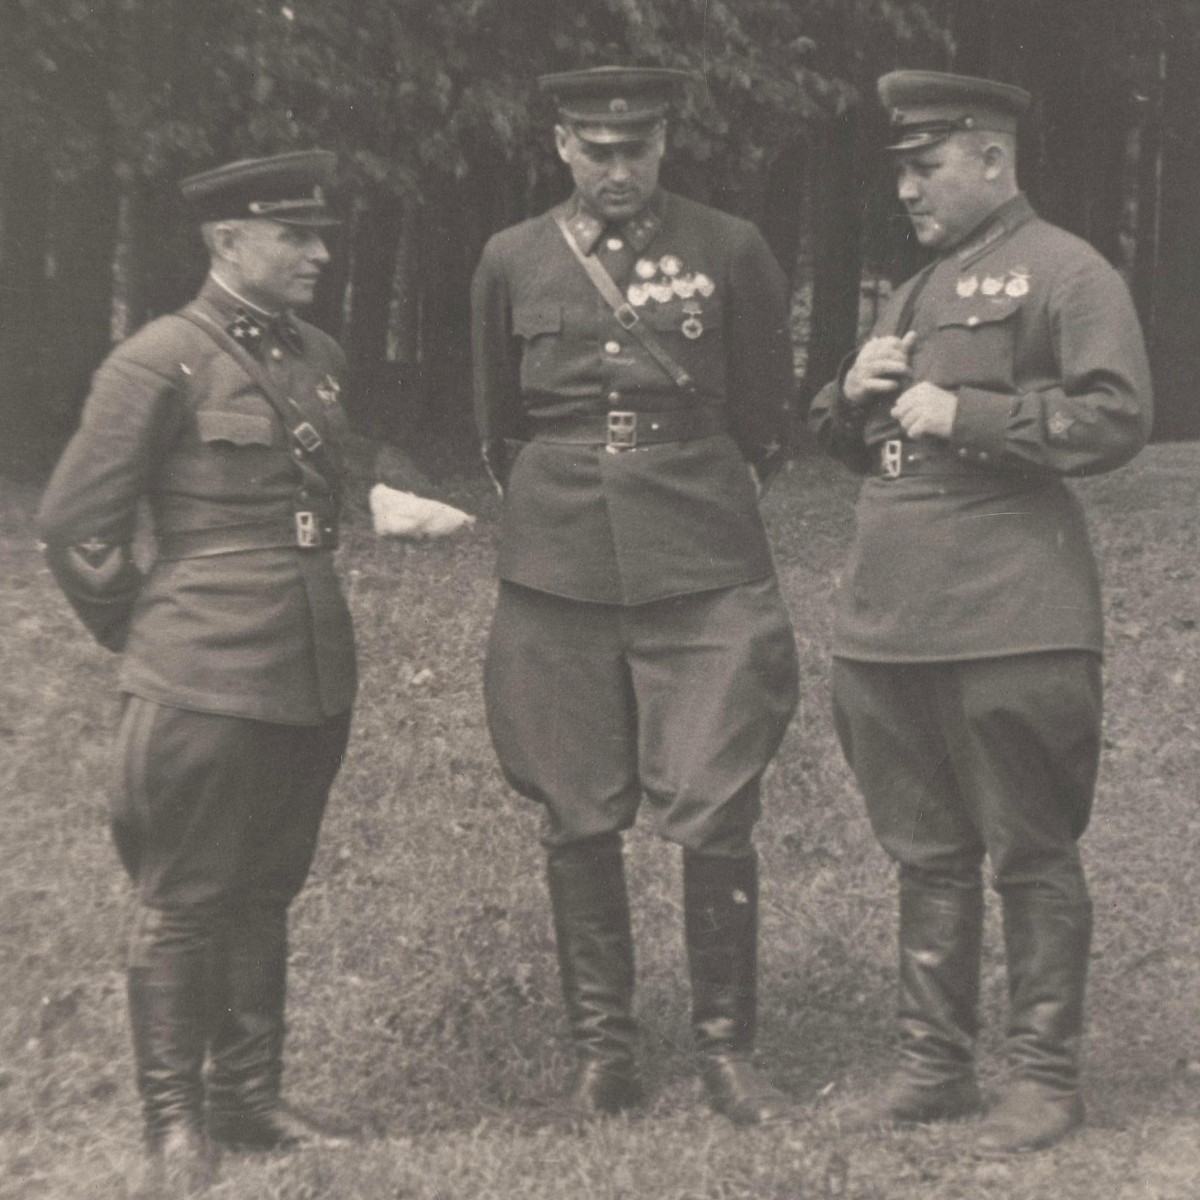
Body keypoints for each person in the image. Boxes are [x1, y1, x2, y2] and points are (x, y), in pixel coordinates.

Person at [808, 71, 1152, 1154]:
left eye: (926, 166)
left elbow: (1116, 416)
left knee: (1032, 849)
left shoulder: (1067, 270)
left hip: (1014, 613)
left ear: (992, 157)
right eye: (901, 169)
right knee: (926, 851)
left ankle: (1044, 1080)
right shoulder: (912, 289)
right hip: (892, 616)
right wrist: (846, 393)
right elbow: (854, 442)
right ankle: (935, 1066)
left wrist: (975, 412)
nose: (907, 188)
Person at [471, 66, 800, 1126]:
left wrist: (700, 481)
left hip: (700, 548)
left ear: (665, 145)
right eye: (597, 149)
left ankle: (724, 1051)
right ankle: (604, 1051)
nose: (619, 168)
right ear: (561, 144)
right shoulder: (512, 259)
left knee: (717, 789)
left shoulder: (728, 246)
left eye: (639, 148)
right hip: (557, 557)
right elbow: (494, 425)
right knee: (573, 796)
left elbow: (764, 411)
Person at [37, 150, 357, 1188]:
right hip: (203, 665)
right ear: (229, 242)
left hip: (307, 662)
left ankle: (249, 1099)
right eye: (293, 235)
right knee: (185, 893)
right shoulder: (160, 359)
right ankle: (174, 1122)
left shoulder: (314, 354)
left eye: (318, 234)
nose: (317, 252)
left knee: (266, 885)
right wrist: (150, 630)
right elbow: (75, 525)